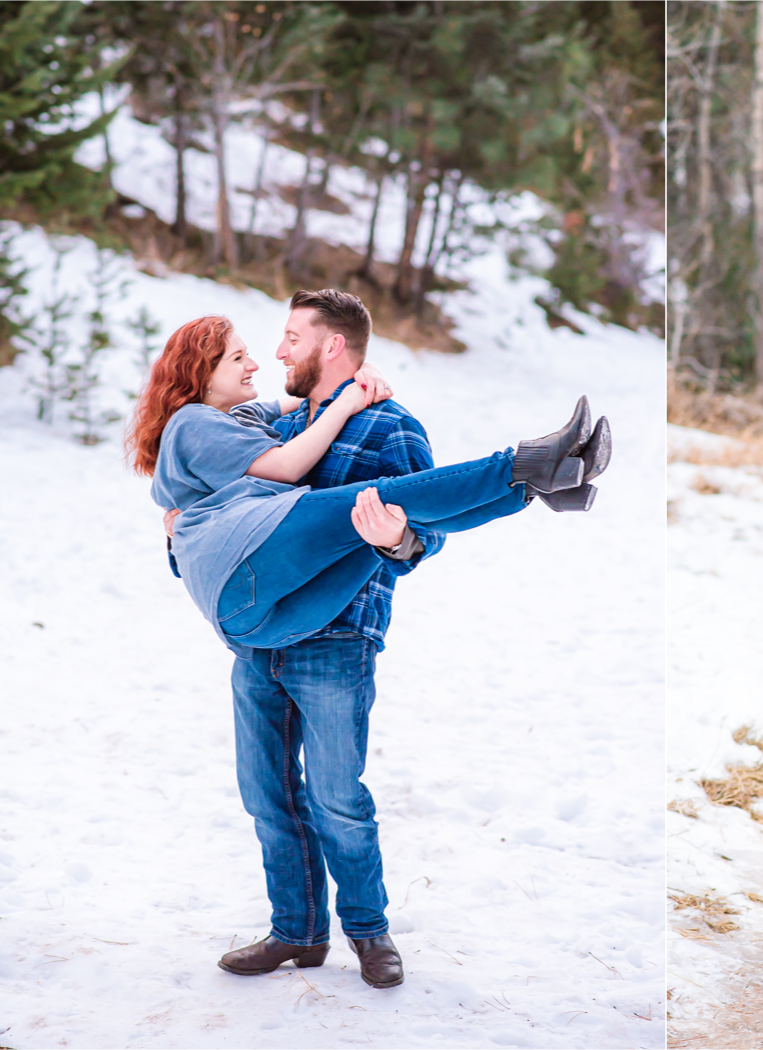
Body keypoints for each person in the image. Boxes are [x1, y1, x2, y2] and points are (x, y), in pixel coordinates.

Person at [130, 294, 608, 988]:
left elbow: (426, 533)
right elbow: (221, 512)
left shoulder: (389, 424)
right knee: (267, 795)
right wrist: (180, 532)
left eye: (291, 338)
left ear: (331, 346)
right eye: (260, 347)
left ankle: (368, 932)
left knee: (337, 800)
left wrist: (400, 540)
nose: (276, 353)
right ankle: (296, 931)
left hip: (337, 636)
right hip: (261, 642)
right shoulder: (272, 426)